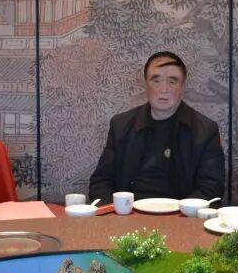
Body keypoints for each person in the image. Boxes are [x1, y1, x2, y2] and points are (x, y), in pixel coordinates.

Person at [88, 52, 224, 202]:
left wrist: (181, 213)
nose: (163, 89)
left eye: (172, 81)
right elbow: (100, 183)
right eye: (156, 80)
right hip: (128, 212)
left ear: (182, 87)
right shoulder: (120, 125)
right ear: (146, 85)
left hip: (180, 213)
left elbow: (211, 190)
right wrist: (118, 210)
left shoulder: (205, 130)